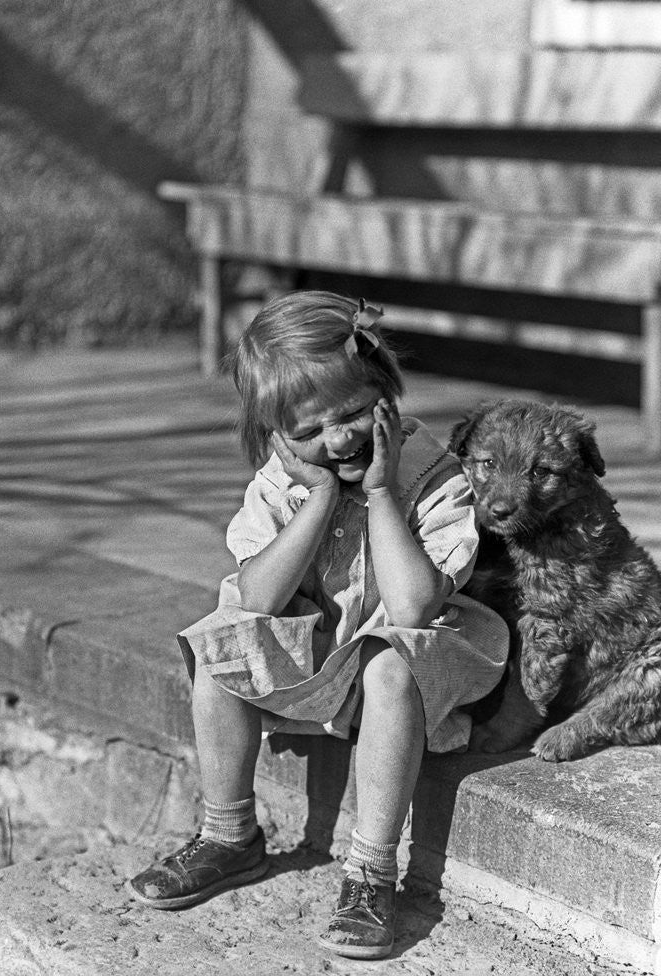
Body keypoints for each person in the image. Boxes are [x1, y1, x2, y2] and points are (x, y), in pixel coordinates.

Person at [128, 291, 509, 959]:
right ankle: (228, 835)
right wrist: (323, 497)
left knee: (389, 663)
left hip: (414, 670)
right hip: (324, 659)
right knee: (223, 638)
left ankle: (369, 875)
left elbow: (415, 609)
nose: (338, 440)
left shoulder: (432, 477)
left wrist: (382, 492)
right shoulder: (286, 480)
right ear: (275, 434)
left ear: (385, 391)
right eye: (309, 431)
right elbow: (257, 597)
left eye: (355, 413)